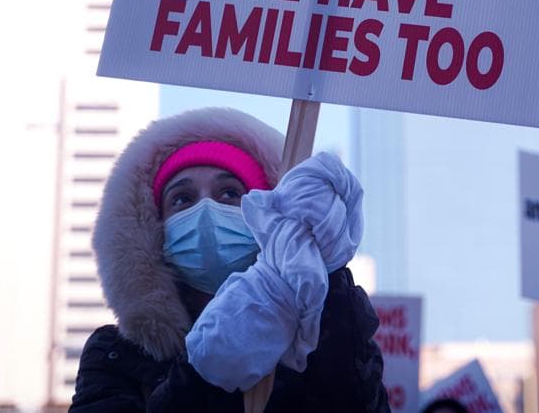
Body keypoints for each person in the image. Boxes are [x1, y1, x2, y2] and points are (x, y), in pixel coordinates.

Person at [70, 107, 388, 412]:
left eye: (229, 194)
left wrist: (324, 277)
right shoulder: (115, 355)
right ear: (154, 229)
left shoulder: (313, 344)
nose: (206, 211)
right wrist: (204, 372)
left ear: (267, 217)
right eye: (183, 198)